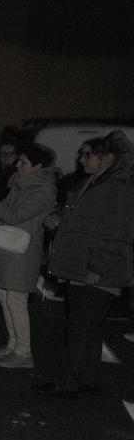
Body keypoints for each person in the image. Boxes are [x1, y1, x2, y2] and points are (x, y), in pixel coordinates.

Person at [37, 132, 134, 396]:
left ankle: (66, 381)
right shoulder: (95, 181)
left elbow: (118, 234)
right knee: (89, 327)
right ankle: (89, 378)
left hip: (97, 271)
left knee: (79, 327)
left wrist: (98, 268)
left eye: (88, 154)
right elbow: (86, 217)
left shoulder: (119, 187)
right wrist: (59, 218)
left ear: (108, 158)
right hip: (81, 265)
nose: (81, 159)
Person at [0, 145, 58, 369]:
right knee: (5, 298)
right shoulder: (21, 185)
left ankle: (24, 353)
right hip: (7, 247)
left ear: (38, 166)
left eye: (23, 162)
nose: (17, 165)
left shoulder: (43, 191)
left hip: (23, 252)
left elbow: (13, 216)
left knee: (16, 302)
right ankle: (13, 345)